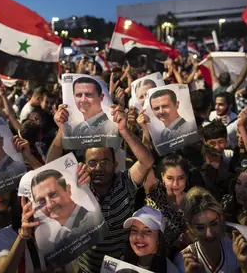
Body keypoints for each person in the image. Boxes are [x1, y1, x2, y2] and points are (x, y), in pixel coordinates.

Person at [48, 103, 154, 273]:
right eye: (92, 162)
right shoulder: (78, 186)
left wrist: (124, 130)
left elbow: (147, 162)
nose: (98, 168)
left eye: (105, 162)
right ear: (84, 164)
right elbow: (49, 169)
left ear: (115, 164)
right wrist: (61, 131)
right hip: (85, 268)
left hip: (119, 267)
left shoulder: (125, 182)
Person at [175, 187, 247, 273]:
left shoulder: (234, 251)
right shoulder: (182, 262)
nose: (209, 233)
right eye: (200, 228)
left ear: (221, 219)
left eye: (214, 224)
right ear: (190, 228)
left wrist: (245, 266)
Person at [30, 168, 101, 253]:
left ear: (68, 190)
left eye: (53, 195)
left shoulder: (94, 219)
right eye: (41, 201)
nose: (49, 205)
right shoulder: (59, 237)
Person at [143, 154, 188, 258]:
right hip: (142, 251)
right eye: (170, 178)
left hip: (170, 259)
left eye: (180, 178)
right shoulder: (154, 190)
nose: (175, 184)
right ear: (162, 176)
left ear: (186, 177)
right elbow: (144, 161)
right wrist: (146, 139)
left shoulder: (192, 202)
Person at [122, 206, 179, 273]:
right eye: (134, 230)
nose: (138, 236)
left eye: (147, 231)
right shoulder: (120, 261)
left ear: (159, 238)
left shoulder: (171, 270)